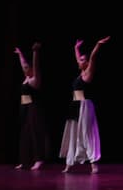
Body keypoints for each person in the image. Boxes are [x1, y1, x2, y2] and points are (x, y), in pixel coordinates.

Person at [60, 36, 109, 174]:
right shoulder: (80, 74)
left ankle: (93, 164)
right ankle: (69, 164)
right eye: (80, 60)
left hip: (85, 106)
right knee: (73, 134)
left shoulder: (88, 73)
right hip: (74, 106)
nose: (80, 61)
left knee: (87, 134)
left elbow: (93, 57)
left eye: (83, 60)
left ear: (87, 63)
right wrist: (76, 48)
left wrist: (98, 44)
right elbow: (77, 58)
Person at [13, 42, 48, 170]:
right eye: (25, 68)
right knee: (24, 134)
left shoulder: (35, 80)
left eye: (28, 68)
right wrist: (20, 54)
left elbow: (35, 66)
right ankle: (24, 161)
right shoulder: (26, 78)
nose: (26, 69)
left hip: (34, 108)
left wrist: (35, 53)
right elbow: (23, 65)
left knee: (35, 132)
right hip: (24, 107)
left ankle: (39, 160)